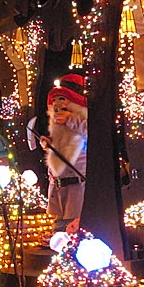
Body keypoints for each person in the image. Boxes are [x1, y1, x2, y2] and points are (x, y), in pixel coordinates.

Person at [39, 74, 87, 233]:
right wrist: (48, 143)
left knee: (72, 234)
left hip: (76, 192)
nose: (58, 108)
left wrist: (70, 119)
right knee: (58, 232)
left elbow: (88, 134)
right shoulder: (58, 129)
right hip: (58, 192)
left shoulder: (83, 123)